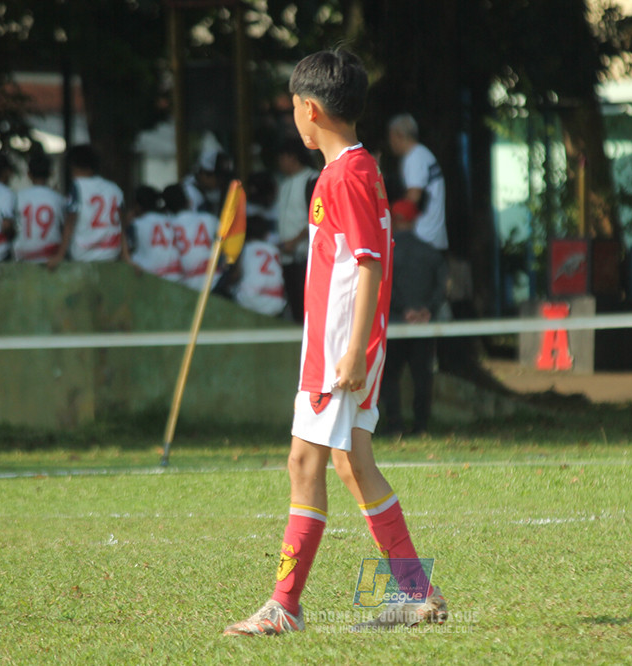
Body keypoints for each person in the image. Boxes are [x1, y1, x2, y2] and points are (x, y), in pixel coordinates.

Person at [222, 48, 448, 637]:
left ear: (310, 109)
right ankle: (418, 594)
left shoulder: (344, 174)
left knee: (306, 462)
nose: (294, 117)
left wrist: (350, 352)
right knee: (350, 463)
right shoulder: (361, 167)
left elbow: (368, 263)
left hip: (338, 350)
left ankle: (284, 606)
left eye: (294, 107)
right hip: (342, 345)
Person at [380, 199, 447, 437]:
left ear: (395, 220)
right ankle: (421, 426)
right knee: (422, 376)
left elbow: (384, 286)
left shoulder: (387, 253)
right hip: (424, 325)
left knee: (388, 375)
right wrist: (427, 309)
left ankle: (395, 423)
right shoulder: (431, 253)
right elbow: (442, 287)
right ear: (414, 220)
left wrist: (404, 310)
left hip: (396, 324)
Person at [47, 144, 124, 270]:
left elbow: (70, 222)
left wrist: (60, 255)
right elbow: (121, 225)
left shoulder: (78, 185)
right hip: (110, 253)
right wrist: (126, 256)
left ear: (73, 166)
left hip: (84, 254)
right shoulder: (115, 189)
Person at [387, 112, 448, 252]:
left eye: (391, 137)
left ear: (399, 135)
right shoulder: (421, 154)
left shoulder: (415, 157)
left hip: (423, 237)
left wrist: (388, 214)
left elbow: (413, 199)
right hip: (432, 236)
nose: (390, 143)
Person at [274, 136, 318, 322]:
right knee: (295, 309)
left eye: (282, 157)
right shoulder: (284, 184)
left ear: (292, 157)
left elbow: (318, 218)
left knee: (308, 308)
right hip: (287, 259)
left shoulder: (312, 180)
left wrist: (295, 241)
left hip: (305, 257)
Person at [163, 183, 221, 292]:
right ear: (188, 201)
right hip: (215, 283)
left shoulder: (167, 226)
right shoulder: (209, 219)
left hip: (187, 287)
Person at [229, 214, 286, 317]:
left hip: (250, 300)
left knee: (234, 288)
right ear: (266, 234)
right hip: (276, 303)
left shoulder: (247, 247)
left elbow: (236, 274)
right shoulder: (275, 250)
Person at [14, 152, 66, 263]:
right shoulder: (58, 199)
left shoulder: (18, 197)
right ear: (51, 173)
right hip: (51, 257)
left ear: (29, 174)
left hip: (24, 256)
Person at [126, 185, 181, 281]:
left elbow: (124, 252)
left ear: (137, 205)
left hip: (150, 278)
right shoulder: (172, 221)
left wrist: (126, 223)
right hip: (176, 276)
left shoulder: (137, 224)